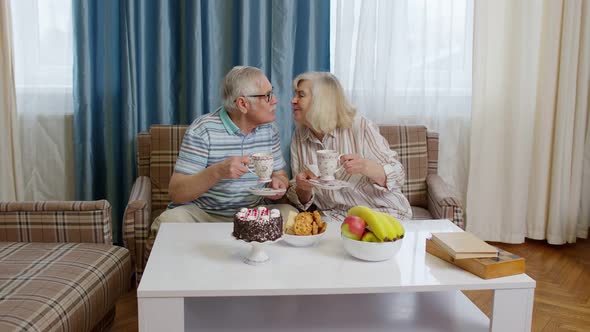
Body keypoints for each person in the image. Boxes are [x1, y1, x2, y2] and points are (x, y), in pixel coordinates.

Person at [150, 66, 296, 237]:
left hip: (253, 214)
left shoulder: (269, 130)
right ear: (243, 104)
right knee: (169, 221)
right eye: (268, 96)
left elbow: (280, 175)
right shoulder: (202, 130)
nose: (275, 100)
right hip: (205, 215)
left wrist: (279, 183)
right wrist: (218, 171)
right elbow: (177, 193)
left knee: (292, 215)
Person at [286, 71, 412, 222]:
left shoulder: (360, 126)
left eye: (301, 95)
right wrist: (302, 187)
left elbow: (398, 174)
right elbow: (300, 198)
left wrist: (366, 167)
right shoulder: (299, 137)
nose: (293, 100)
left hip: (382, 211)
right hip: (336, 217)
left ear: (321, 100)